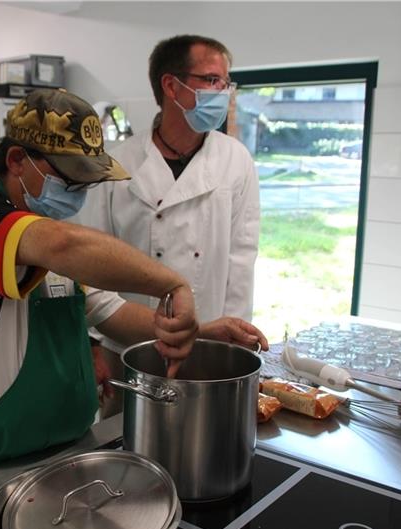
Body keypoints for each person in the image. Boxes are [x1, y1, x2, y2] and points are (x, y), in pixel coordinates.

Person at [0, 88, 267, 491]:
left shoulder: (47, 238)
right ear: (18, 161)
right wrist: (173, 284)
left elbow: (113, 313)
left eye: (87, 183)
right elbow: (64, 245)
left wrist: (204, 330)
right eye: (70, 181)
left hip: (65, 459)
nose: (78, 195)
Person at [73, 35, 262, 416]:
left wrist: (235, 341)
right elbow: (89, 266)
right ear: (171, 85)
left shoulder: (235, 160)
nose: (222, 92)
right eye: (210, 80)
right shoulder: (118, 164)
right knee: (128, 450)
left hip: (208, 345)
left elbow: (242, 257)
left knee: (203, 446)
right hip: (126, 350)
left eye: (226, 83)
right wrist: (92, 346)